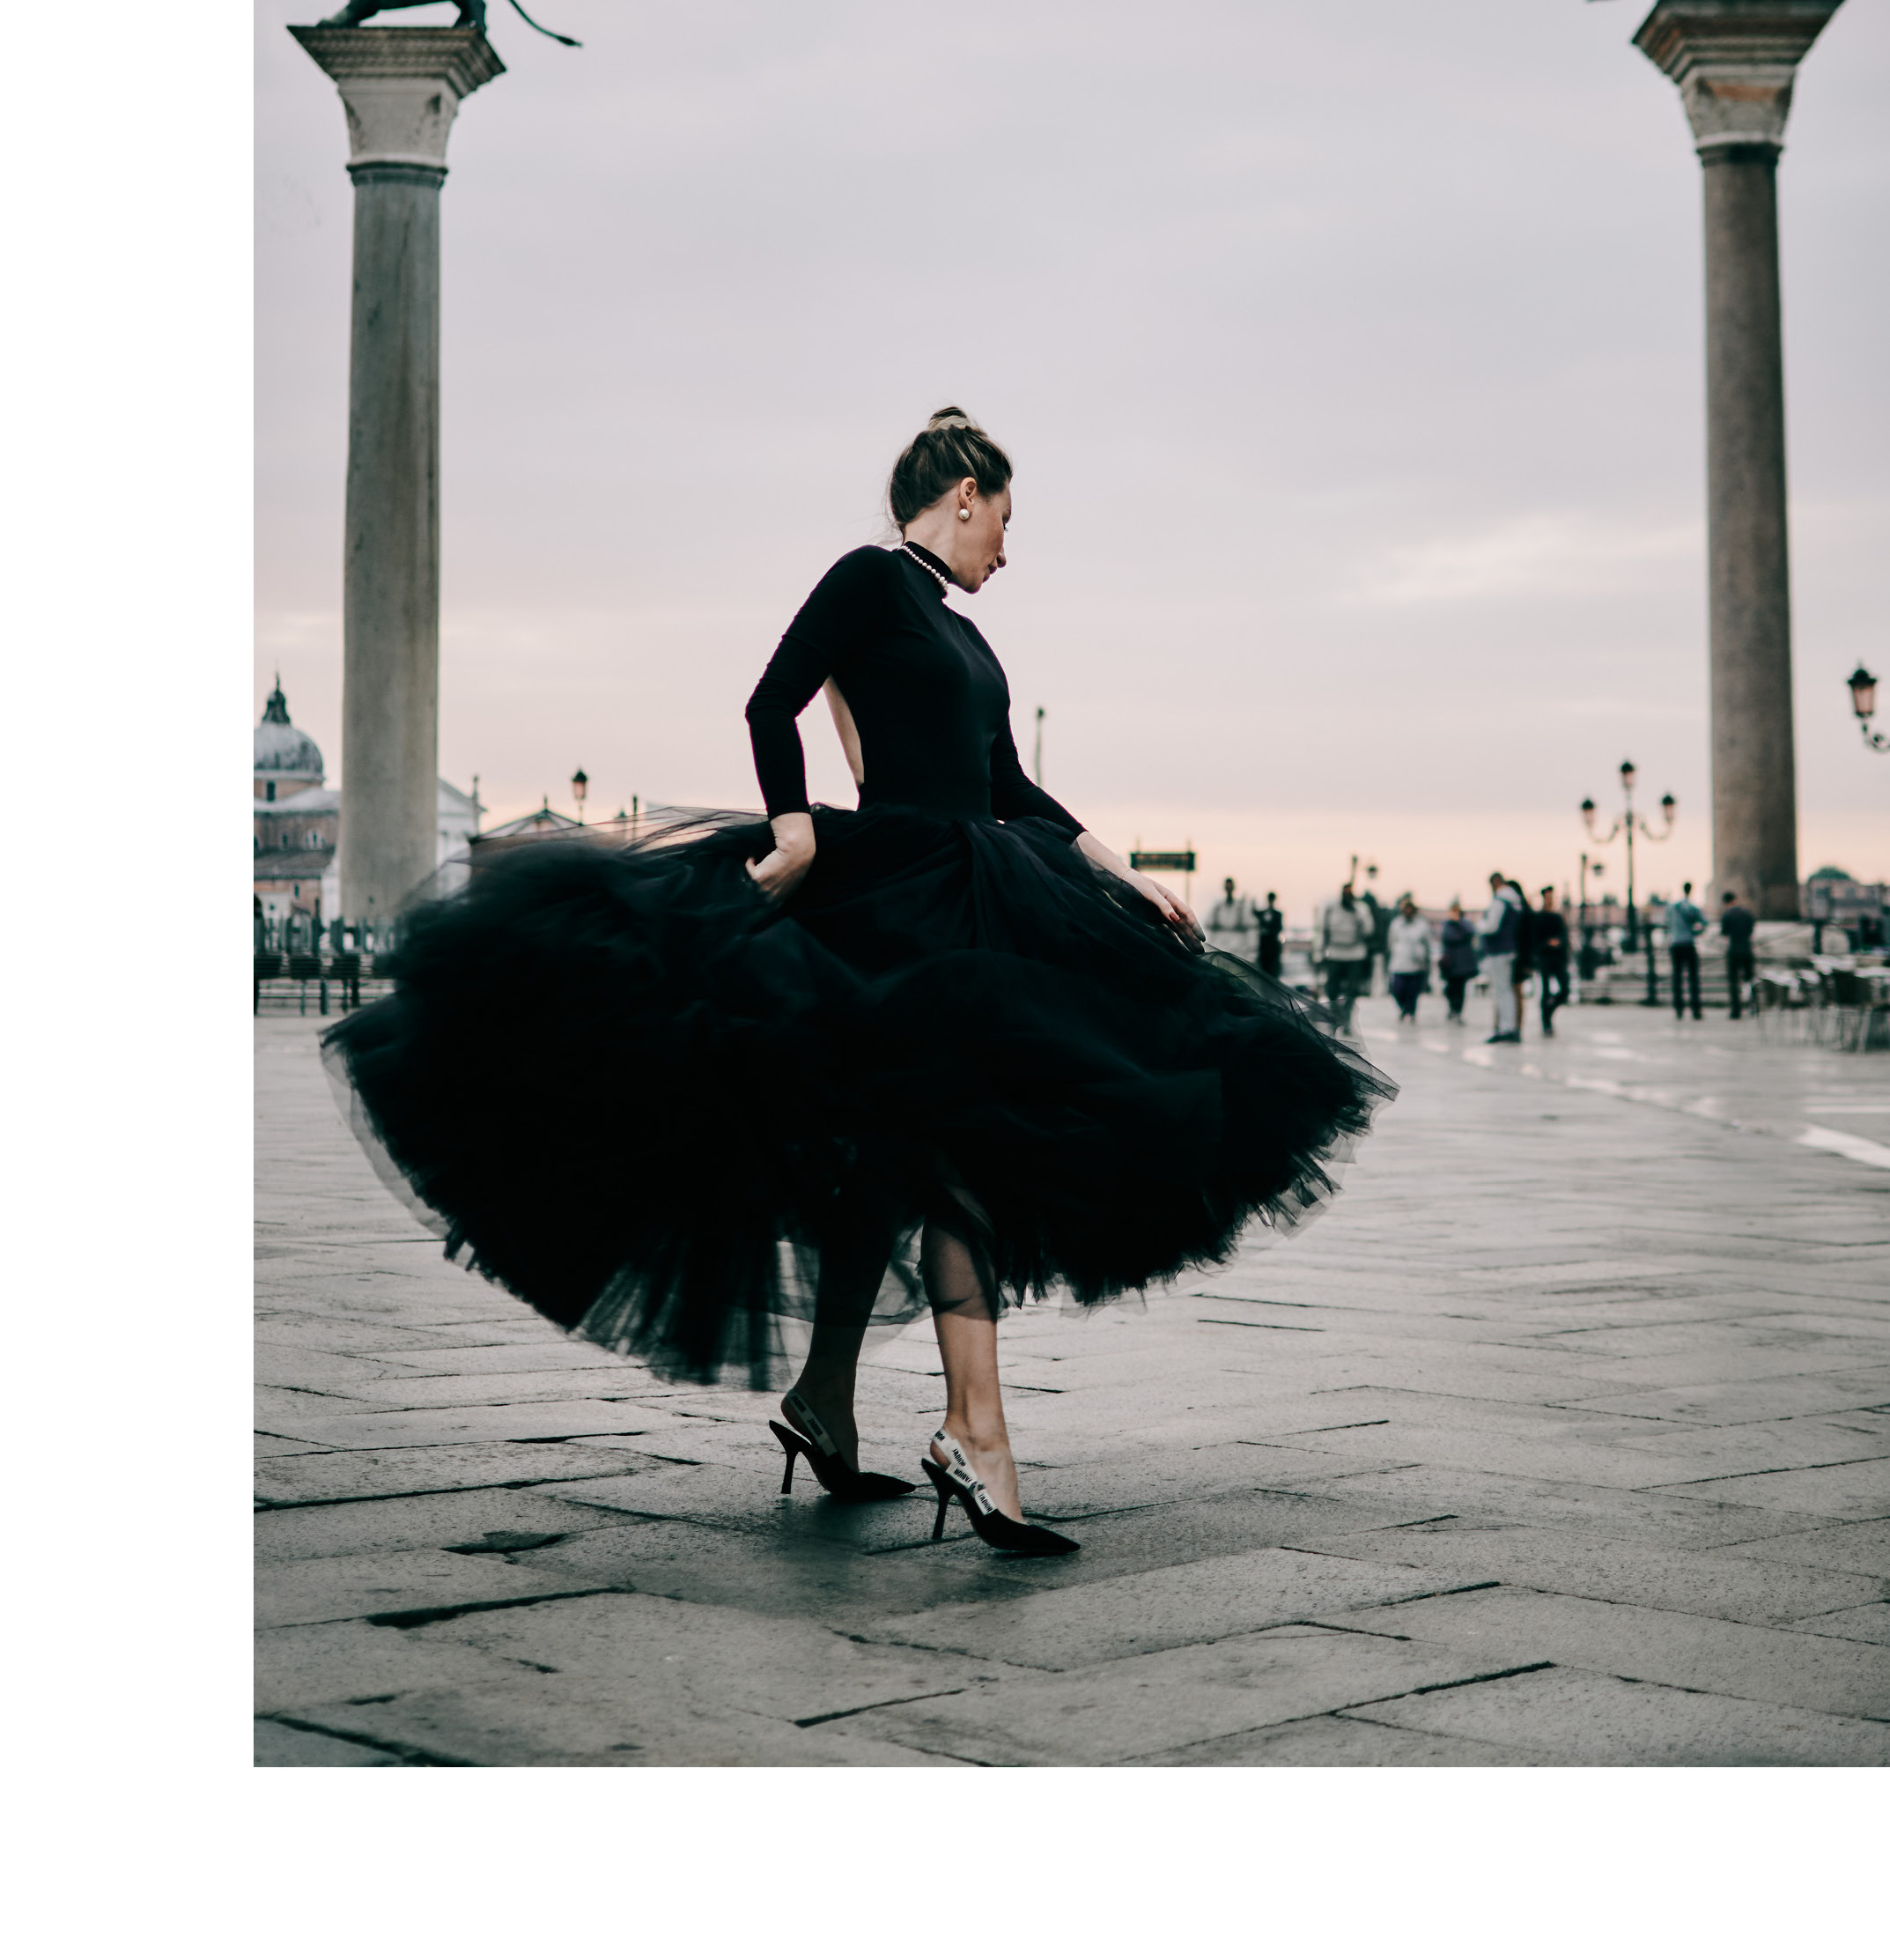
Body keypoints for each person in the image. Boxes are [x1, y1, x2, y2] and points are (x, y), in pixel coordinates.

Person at [322, 409, 1392, 1561]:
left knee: (898, 1162)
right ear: (967, 491)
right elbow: (767, 699)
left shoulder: (964, 635)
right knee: (954, 1156)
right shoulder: (871, 582)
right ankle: (974, 1434)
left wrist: (1127, 874)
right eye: (1006, 523)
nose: (1006, 553)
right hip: (894, 895)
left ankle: (824, 1402)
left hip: (978, 883)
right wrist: (789, 827)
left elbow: (1007, 784)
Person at [1478, 871, 1526, 1041]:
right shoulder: (1515, 901)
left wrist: (1480, 925)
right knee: (1506, 990)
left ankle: (1506, 1028)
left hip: (1499, 950)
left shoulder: (1500, 901)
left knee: (1502, 991)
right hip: (1509, 949)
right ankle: (1509, 1027)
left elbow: (1491, 926)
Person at [1316, 883, 1371, 1029]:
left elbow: (1369, 930)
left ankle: (1346, 1016)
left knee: (1353, 989)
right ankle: (1334, 1014)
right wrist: (1319, 953)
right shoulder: (1331, 908)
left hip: (1355, 954)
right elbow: (1323, 930)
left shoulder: (1361, 909)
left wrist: (1358, 916)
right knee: (1332, 988)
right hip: (1334, 953)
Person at [1529, 885, 1570, 1035]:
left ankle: (1548, 1012)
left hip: (1559, 958)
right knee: (1545, 991)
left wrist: (1560, 944)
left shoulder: (1558, 917)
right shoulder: (1538, 917)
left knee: (1565, 990)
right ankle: (1546, 1021)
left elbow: (1565, 938)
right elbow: (1534, 940)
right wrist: (1547, 943)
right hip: (1545, 957)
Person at [1384, 893, 1433, 1022]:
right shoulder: (1396, 924)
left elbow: (1427, 943)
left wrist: (1425, 958)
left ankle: (1410, 1011)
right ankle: (1403, 1008)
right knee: (1398, 990)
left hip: (1416, 964)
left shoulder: (1422, 925)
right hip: (1399, 962)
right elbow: (1391, 942)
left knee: (1413, 992)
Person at [1665, 882, 1706, 1020]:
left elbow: (1668, 924)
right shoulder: (1693, 908)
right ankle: (1696, 1009)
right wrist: (1695, 932)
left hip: (1675, 944)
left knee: (1677, 978)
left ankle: (1679, 1009)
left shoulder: (1672, 907)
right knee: (1693, 978)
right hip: (1688, 943)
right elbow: (1704, 923)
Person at [1437, 901, 1477, 1023]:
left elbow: (1470, 933)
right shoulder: (1447, 924)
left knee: (1460, 989)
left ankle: (1457, 1011)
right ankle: (1452, 1008)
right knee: (1450, 989)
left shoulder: (1465, 923)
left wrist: (1459, 922)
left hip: (1463, 963)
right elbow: (1448, 937)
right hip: (1450, 963)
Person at [1719, 890, 1756, 1017]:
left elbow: (1724, 933)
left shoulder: (1727, 915)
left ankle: (1736, 1010)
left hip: (1733, 950)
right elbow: (1751, 930)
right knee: (1749, 980)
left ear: (1726, 902)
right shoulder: (1747, 913)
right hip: (1747, 949)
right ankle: (1753, 1006)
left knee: (1734, 982)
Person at [1207, 876, 1259, 965]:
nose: (1229, 889)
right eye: (1227, 887)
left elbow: (1252, 923)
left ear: (1233, 888)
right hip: (1222, 944)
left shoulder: (1240, 907)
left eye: (1230, 887)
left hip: (1237, 947)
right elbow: (1209, 923)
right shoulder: (1218, 907)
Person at [1255, 892, 1284, 981]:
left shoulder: (1277, 914)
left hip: (1271, 947)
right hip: (1265, 947)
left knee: (1271, 971)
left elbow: (1279, 928)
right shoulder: (1264, 913)